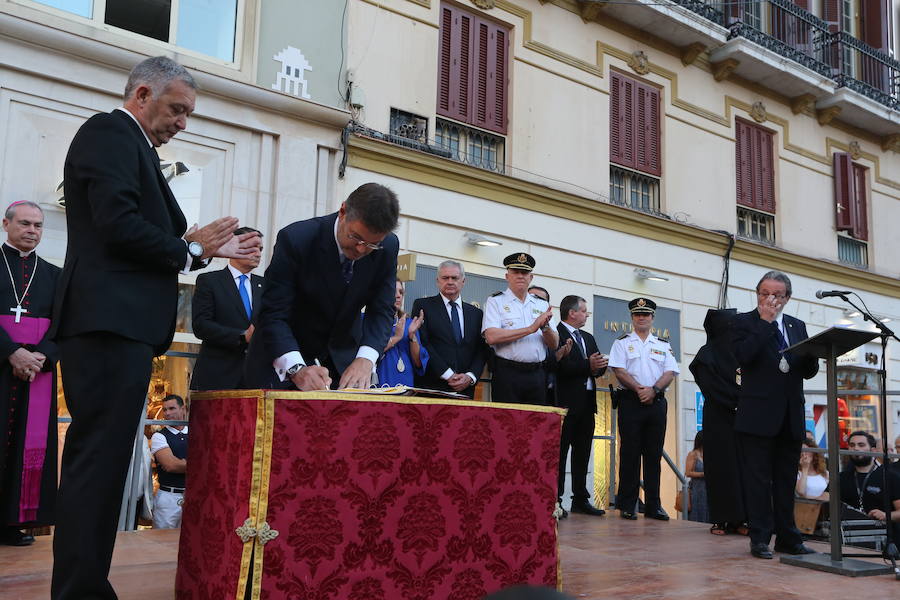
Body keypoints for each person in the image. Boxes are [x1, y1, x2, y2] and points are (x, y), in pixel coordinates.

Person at [50, 56, 259, 599]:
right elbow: (117, 225)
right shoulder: (109, 133)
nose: (183, 123)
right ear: (142, 95)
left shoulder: (134, 147)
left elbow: (132, 228)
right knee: (95, 465)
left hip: (119, 328)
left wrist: (198, 245)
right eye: (177, 110)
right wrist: (188, 248)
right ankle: (78, 590)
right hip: (107, 327)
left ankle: (87, 584)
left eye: (188, 114)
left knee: (102, 464)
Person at [243, 183, 400, 390]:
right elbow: (273, 313)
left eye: (372, 244)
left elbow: (381, 310)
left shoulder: (387, 247)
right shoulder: (297, 239)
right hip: (283, 362)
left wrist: (366, 358)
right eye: (356, 237)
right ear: (343, 212)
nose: (362, 249)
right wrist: (296, 368)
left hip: (343, 367)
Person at [732, 270, 819, 560]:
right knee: (758, 481)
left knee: (785, 480)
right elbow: (744, 356)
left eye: (776, 295)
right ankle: (759, 538)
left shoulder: (797, 325)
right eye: (764, 294)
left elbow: (807, 371)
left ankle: (788, 537)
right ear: (757, 294)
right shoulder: (744, 322)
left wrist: (813, 356)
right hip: (757, 415)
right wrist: (766, 323)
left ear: (787, 298)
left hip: (790, 415)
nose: (770, 299)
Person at [0, 201, 60, 546]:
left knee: (27, 444)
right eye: (25, 224)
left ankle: (11, 523)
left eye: (38, 226)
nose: (32, 231)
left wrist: (40, 356)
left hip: (36, 372)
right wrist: (11, 352)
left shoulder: (54, 275)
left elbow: (65, 325)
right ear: (6, 224)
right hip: (2, 363)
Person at [609, 297, 679, 521]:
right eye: (638, 314)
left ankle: (653, 505)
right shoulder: (621, 342)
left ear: (652, 318)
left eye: (646, 314)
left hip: (656, 403)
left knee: (653, 455)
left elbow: (669, 372)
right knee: (629, 454)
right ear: (632, 318)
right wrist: (640, 389)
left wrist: (654, 390)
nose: (642, 318)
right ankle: (628, 504)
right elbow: (619, 370)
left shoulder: (663, 344)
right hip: (631, 401)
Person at [688, 308, 747, 536]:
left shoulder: (741, 351)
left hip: (742, 418)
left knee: (742, 469)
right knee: (722, 469)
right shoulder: (707, 355)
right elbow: (710, 387)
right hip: (719, 419)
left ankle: (742, 519)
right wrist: (735, 402)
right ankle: (721, 519)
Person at [190, 227, 264, 391]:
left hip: (256, 380)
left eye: (260, 249)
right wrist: (241, 336)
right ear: (234, 247)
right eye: (252, 248)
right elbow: (201, 325)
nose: (258, 254)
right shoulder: (210, 281)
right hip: (217, 378)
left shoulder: (266, 286)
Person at [481, 253, 558, 405]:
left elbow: (554, 343)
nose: (520, 276)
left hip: (537, 374)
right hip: (508, 373)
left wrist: (545, 327)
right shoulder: (495, 301)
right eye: (516, 272)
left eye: (524, 273)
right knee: (506, 424)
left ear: (531, 277)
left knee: (535, 424)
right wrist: (531, 328)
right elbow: (492, 336)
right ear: (507, 276)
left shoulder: (541, 304)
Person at [555, 294, 607, 517]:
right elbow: (560, 365)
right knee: (561, 452)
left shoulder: (587, 336)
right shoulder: (556, 333)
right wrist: (588, 365)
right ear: (572, 312)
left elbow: (596, 366)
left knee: (583, 451)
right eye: (584, 310)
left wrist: (599, 367)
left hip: (587, 403)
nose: (586, 314)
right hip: (565, 402)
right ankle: (556, 498)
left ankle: (580, 498)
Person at [410, 260, 487, 398]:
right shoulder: (423, 306)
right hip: (432, 388)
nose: (450, 282)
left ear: (463, 281)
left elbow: (481, 350)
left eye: (455, 278)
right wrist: (448, 374)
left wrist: (470, 376)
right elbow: (424, 344)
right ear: (437, 281)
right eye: (445, 278)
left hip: (465, 390)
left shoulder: (476, 313)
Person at [839, 431, 900, 542]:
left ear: (873, 450)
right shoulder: (841, 477)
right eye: (852, 445)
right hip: (849, 542)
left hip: (885, 542)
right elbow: (825, 500)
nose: (856, 449)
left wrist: (886, 515)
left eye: (861, 445)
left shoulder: (890, 476)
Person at [376, 280, 427, 386]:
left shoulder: (409, 323)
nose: (398, 296)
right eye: (393, 291)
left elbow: (418, 363)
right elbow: (369, 352)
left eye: (401, 292)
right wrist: (396, 337)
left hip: (404, 384)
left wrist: (412, 336)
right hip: (378, 382)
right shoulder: (368, 320)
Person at [149, 395, 187, 529]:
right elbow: (170, 465)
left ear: (183, 409)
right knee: (162, 542)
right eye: (165, 410)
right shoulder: (159, 436)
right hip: (168, 498)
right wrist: (197, 464)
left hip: (192, 496)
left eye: (172, 408)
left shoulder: (196, 433)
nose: (167, 413)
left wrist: (182, 463)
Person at [685, 430, 710, 523]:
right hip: (697, 488)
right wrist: (703, 474)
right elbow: (687, 472)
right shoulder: (693, 454)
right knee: (697, 511)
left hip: (707, 488)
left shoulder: (709, 454)